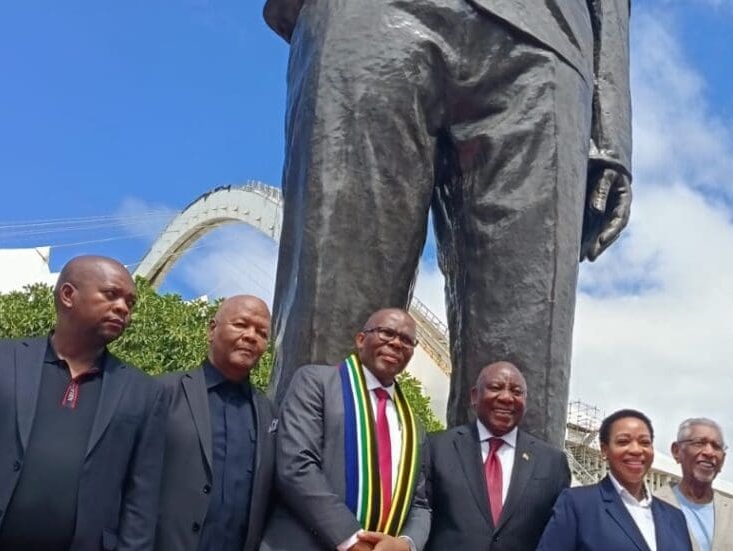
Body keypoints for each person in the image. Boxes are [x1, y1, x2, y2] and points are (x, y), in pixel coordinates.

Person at [261, 0, 633, 447]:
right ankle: (301, 494)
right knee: (326, 348)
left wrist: (610, 128)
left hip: (548, 37)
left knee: (522, 394)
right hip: (367, 16)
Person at [0, 255, 167, 551]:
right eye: (111, 295)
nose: (123, 308)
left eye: (130, 302)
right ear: (68, 295)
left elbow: (141, 505)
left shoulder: (144, 393)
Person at [254, 308, 430, 551]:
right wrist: (354, 542)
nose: (396, 343)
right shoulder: (317, 382)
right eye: (386, 333)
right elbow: (296, 466)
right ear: (361, 339)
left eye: (407, 340)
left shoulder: (413, 424)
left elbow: (420, 504)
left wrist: (406, 546)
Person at [152, 295, 276, 551]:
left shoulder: (270, 415)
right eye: (241, 324)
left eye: (261, 333)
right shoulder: (163, 392)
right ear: (211, 330)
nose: (251, 336)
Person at [421, 361, 571, 551]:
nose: (507, 397)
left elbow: (560, 537)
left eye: (517, 392)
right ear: (475, 396)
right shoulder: (437, 448)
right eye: (495, 387)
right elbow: (419, 513)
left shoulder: (552, 462)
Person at [530, 409, 698, 551]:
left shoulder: (675, 517)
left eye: (645, 442)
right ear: (604, 450)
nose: (636, 450)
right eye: (623, 442)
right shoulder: (578, 505)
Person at [656, 418, 733, 551]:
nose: (709, 452)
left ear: (723, 460)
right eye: (699, 443)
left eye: (716, 446)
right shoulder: (649, 510)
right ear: (677, 451)